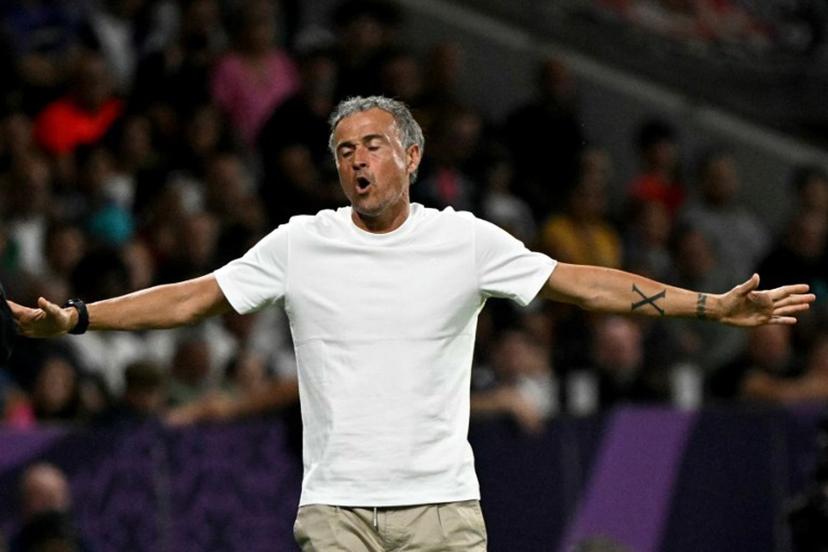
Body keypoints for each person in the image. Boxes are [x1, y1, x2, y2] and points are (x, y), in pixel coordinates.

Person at [7, 96, 815, 552]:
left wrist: (710, 305)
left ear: (412, 157)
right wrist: (78, 319)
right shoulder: (299, 243)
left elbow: (582, 286)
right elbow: (189, 298)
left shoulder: (464, 240)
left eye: (372, 146)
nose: (356, 161)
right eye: (343, 151)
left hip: (442, 509)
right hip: (337, 511)